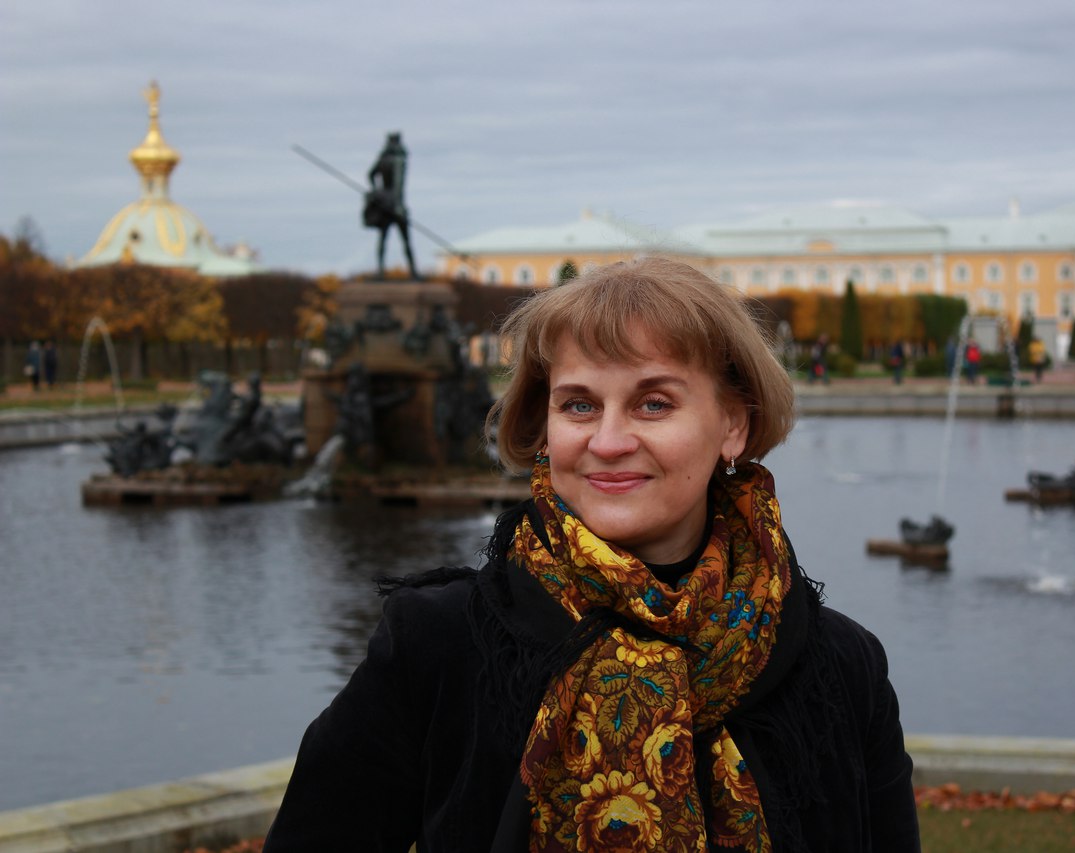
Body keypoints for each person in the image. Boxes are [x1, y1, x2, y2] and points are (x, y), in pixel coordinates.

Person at [264, 258, 919, 852]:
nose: (607, 441)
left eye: (653, 403)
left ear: (733, 424)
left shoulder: (841, 666)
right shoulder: (436, 645)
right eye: (579, 404)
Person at [364, 132, 419, 279]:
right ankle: (413, 272)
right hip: (396, 203)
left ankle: (380, 271)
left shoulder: (383, 159)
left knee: (383, 239)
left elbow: (371, 174)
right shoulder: (399, 160)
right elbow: (399, 184)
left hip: (384, 203)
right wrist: (398, 205)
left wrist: (378, 192)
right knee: (405, 241)